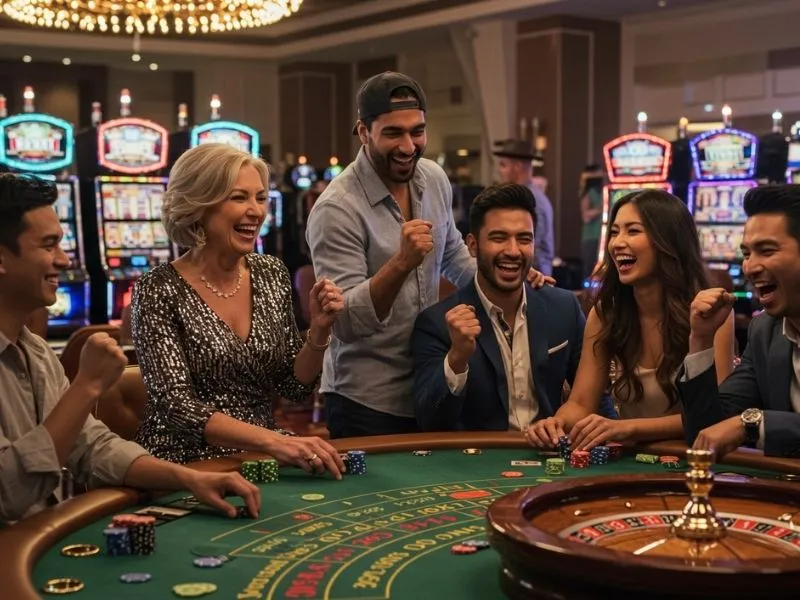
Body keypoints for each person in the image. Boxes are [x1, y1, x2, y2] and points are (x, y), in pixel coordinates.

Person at [0, 173, 260, 524]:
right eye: (48, 246)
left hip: (38, 539)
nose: (64, 259)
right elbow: (8, 492)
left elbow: (93, 447)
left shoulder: (35, 352)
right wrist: (86, 385)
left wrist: (189, 478)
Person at [306, 71, 552, 438]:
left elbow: (454, 255)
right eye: (393, 133)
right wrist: (401, 263)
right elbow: (344, 323)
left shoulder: (433, 177)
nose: (408, 146)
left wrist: (509, 282)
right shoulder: (336, 209)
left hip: (434, 381)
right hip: (370, 400)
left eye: (416, 131)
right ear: (363, 132)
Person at [131, 144, 346, 478]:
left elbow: (293, 387)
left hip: (261, 454)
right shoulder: (157, 289)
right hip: (185, 463)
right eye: (238, 198)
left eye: (260, 198)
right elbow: (177, 407)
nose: (256, 211)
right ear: (199, 205)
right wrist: (273, 440)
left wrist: (319, 330)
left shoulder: (271, 272)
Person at [525, 189, 735, 451]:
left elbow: (717, 418)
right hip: (632, 458)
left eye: (632, 231)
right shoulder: (607, 312)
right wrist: (554, 423)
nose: (617, 243)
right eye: (614, 232)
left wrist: (627, 428)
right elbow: (580, 402)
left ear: (667, 240)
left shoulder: (711, 313)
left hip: (692, 456)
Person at [412, 183, 616, 431]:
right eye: (499, 238)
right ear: (473, 245)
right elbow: (430, 422)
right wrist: (456, 359)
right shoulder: (437, 322)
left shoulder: (564, 309)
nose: (512, 251)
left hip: (548, 458)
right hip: (476, 463)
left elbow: (594, 399)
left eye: (523, 239)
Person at [678, 185, 800, 458]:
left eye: (766, 251)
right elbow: (705, 430)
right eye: (746, 254)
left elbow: (740, 427)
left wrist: (754, 424)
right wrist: (701, 341)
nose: (750, 267)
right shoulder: (765, 331)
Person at [493, 139, 555, 276]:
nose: (499, 170)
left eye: (503, 165)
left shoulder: (532, 200)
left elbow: (529, 246)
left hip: (534, 278)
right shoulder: (526, 197)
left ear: (517, 166)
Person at [579, 164, 604, 280]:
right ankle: (587, 296)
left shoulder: (603, 191)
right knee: (589, 269)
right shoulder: (588, 191)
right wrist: (601, 209)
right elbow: (585, 216)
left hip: (602, 235)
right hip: (590, 236)